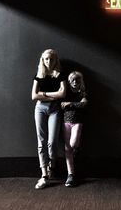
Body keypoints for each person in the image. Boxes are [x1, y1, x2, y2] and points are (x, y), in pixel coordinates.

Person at [31, 49, 67, 189]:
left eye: (51, 59)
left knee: (52, 142)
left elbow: (63, 93)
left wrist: (43, 94)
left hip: (54, 109)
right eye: (46, 59)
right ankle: (44, 175)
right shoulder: (39, 75)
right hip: (40, 108)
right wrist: (53, 95)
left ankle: (52, 165)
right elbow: (34, 96)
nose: (48, 62)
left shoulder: (60, 75)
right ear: (42, 60)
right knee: (41, 141)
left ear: (55, 60)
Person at [61, 71, 88, 187]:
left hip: (77, 122)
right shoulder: (66, 92)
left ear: (80, 81)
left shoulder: (82, 93)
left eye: (77, 79)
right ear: (69, 81)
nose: (75, 82)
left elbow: (84, 104)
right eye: (73, 80)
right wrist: (70, 103)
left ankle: (77, 149)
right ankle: (70, 174)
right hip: (66, 122)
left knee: (73, 143)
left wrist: (69, 104)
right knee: (67, 149)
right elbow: (61, 104)